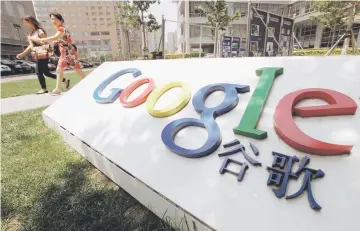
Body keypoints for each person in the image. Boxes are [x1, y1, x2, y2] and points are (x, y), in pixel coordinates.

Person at [29, 12, 86, 95]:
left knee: (76, 71)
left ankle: (58, 89)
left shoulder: (62, 29)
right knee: (60, 70)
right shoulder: (59, 30)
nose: (53, 21)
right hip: (65, 54)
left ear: (61, 20)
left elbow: (55, 38)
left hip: (68, 53)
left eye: (55, 19)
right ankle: (57, 89)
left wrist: (42, 40)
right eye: (52, 19)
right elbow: (57, 41)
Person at [17, 16, 69, 94]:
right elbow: (31, 46)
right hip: (37, 54)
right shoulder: (32, 33)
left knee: (38, 72)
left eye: (26, 23)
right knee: (46, 73)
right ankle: (64, 80)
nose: (25, 25)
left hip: (43, 54)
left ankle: (44, 89)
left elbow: (45, 41)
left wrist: (32, 39)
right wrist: (23, 53)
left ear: (31, 22)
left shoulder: (40, 31)